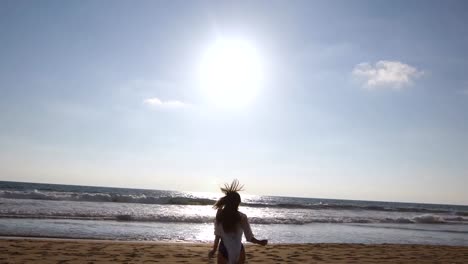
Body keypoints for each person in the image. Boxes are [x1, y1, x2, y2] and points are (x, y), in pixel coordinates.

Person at [208, 180, 268, 264]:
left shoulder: (220, 214)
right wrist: (260, 242)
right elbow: (249, 237)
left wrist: (214, 250)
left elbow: (217, 235)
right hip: (239, 250)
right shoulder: (242, 217)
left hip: (224, 250)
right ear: (238, 203)